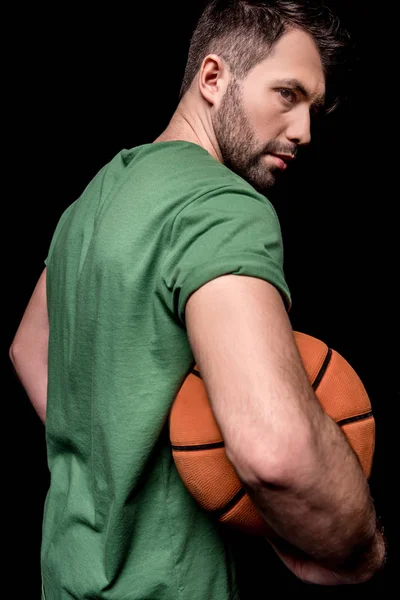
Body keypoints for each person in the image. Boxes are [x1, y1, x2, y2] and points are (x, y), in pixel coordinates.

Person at [10, 1, 386, 598]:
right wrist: (360, 544)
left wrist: (120, 456)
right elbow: (275, 451)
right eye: (287, 94)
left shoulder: (96, 195)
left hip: (64, 576)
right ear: (213, 78)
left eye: (314, 108)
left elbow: (29, 348)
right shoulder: (221, 205)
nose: (304, 130)